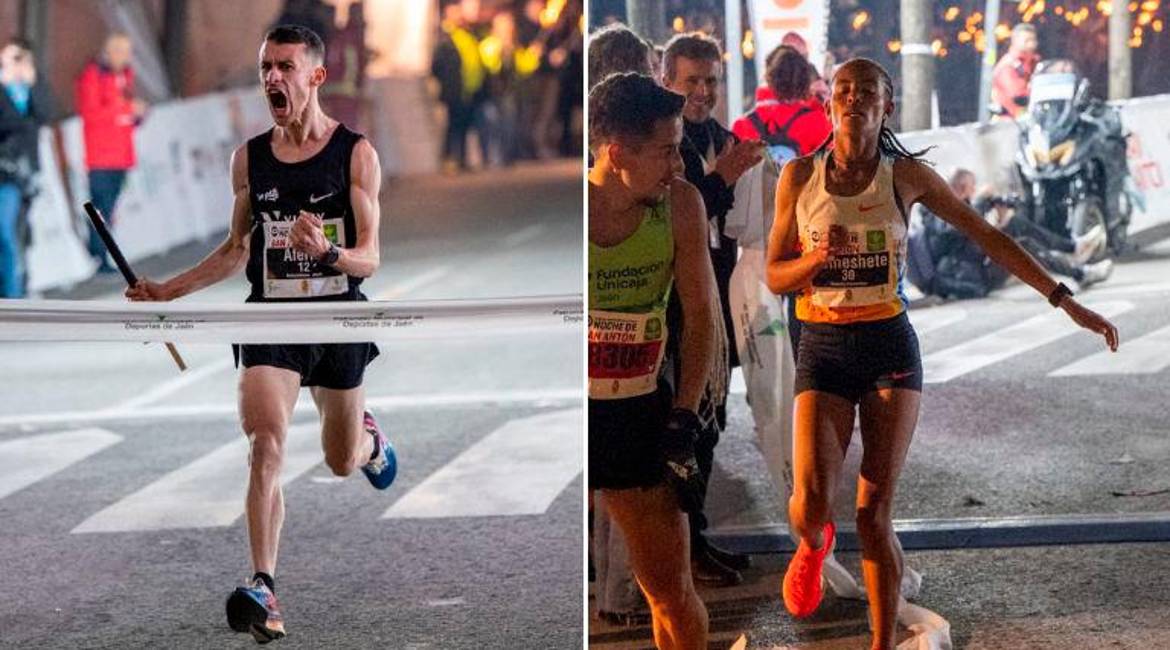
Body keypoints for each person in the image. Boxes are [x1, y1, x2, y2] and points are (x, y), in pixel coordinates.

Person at [765, 58, 1119, 650]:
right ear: (831, 103)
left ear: (887, 106)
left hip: (887, 344)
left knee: (874, 513)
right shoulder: (800, 177)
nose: (854, 100)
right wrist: (814, 263)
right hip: (822, 345)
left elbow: (989, 236)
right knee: (811, 507)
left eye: (867, 92)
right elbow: (776, 275)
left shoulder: (907, 176)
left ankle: (880, 642)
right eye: (844, 91)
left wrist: (1065, 300)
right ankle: (811, 542)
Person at [124, 25, 397, 644]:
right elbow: (233, 250)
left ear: (315, 77)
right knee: (265, 443)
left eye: (284, 68)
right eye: (265, 67)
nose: (272, 78)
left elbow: (371, 258)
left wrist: (328, 253)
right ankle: (264, 587)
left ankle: (370, 443)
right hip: (270, 319)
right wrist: (167, 290)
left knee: (338, 461)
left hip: (336, 319)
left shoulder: (355, 154)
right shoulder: (249, 158)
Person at [589, 71, 718, 650]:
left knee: (669, 590)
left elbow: (702, 319)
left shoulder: (681, 204)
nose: (679, 164)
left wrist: (685, 417)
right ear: (617, 153)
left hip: (638, 410)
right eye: (667, 151)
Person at [661, 31, 763, 586]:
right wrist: (726, 176)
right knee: (683, 424)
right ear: (666, 81)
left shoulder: (726, 138)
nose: (702, 92)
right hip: (674, 305)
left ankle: (695, 539)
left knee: (712, 421)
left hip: (722, 298)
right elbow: (685, 210)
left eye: (711, 82)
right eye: (691, 81)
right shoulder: (660, 142)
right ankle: (685, 547)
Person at [908, 168, 1113, 300]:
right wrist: (981, 203)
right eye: (972, 186)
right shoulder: (937, 213)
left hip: (976, 263)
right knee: (1024, 246)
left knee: (1015, 223)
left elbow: (972, 236)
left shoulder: (959, 207)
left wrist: (1000, 216)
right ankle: (1081, 273)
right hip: (971, 276)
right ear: (962, 187)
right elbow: (957, 234)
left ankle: (1073, 247)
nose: (975, 190)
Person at [75, 32, 146, 274]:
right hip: (100, 155)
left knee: (109, 207)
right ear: (110, 52)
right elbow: (92, 114)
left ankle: (99, 250)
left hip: (121, 154)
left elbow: (124, 118)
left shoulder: (124, 76)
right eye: (122, 52)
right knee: (101, 207)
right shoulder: (93, 77)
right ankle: (99, 254)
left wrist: (136, 115)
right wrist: (126, 109)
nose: (126, 57)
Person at [0, 38, 53, 298]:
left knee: (19, 231)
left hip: (25, 173)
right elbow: (12, 124)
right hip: (4, 171)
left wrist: (32, 85)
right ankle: (12, 291)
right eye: (10, 58)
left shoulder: (32, 85)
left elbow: (44, 115)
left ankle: (17, 290)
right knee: (6, 233)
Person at [991, 23, 1040, 120]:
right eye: (1027, 40)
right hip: (1008, 121)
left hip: (1027, 119)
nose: (1031, 44)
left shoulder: (1034, 62)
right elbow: (1017, 94)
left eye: (1033, 40)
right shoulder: (1008, 65)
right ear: (1015, 41)